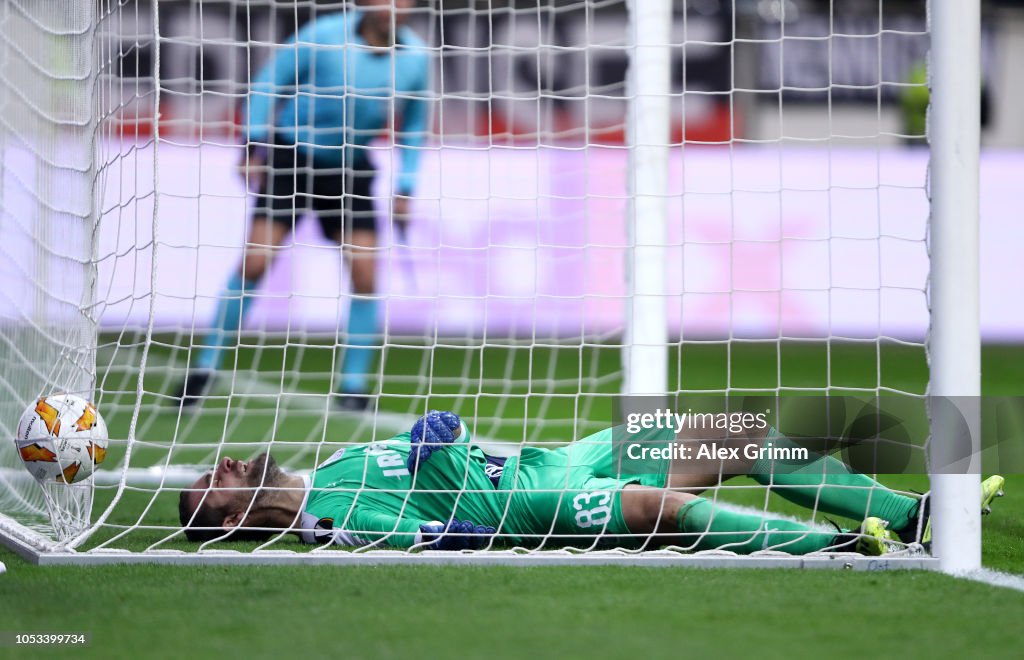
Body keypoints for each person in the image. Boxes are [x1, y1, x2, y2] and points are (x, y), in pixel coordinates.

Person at [178, 410, 1006, 554]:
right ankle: (838, 547)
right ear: (230, 515)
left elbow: (418, 473)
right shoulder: (325, 517)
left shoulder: (329, 470)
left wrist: (433, 442)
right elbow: (429, 533)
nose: (222, 465)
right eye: (210, 486)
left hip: (558, 457)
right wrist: (445, 457)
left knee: (743, 437)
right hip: (526, 502)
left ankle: (912, 512)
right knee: (662, 507)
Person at [176, 0, 431, 411]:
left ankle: (352, 386)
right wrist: (252, 143)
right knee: (255, 262)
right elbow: (269, 83)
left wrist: (406, 184)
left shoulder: (417, 57)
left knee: (366, 275)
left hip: (349, 169)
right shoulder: (323, 35)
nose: (393, 4)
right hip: (293, 157)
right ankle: (204, 369)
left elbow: (415, 125)